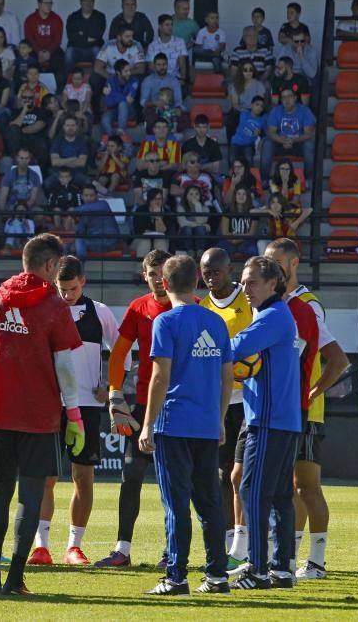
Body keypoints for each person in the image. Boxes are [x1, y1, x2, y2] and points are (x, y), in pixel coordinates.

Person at [0, 234, 84, 595]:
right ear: (50, 265)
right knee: (30, 494)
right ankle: (16, 579)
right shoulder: (53, 304)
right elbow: (64, 365)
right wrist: (75, 414)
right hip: (39, 415)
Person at [139, 255, 232, 596]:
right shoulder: (217, 322)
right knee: (210, 503)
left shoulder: (165, 322)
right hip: (207, 425)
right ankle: (217, 576)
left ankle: (176, 577)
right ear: (199, 282)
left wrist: (147, 424)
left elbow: (160, 376)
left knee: (176, 504)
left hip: (174, 423)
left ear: (164, 284)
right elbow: (226, 377)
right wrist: (220, 419)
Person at [28, 256, 126, 567]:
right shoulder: (45, 311)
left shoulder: (100, 312)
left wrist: (111, 385)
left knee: (83, 476)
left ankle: (74, 547)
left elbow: (122, 350)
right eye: (61, 288)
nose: (67, 294)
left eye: (71, 288)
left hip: (87, 404)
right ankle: (41, 546)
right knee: (46, 477)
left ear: (82, 281)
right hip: (49, 403)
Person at [264, 238, 349, 580]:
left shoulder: (306, 306)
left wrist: (313, 393)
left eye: (275, 262)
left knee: (307, 487)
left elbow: (337, 359)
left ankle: (316, 561)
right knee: (289, 487)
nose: (269, 267)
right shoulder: (277, 303)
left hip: (305, 412)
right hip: (286, 409)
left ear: (294, 263)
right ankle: (288, 557)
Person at [94, 249, 174, 568]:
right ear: (144, 275)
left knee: (177, 481)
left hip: (179, 406)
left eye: (163, 273)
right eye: (152, 273)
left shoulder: (192, 307)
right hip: (143, 405)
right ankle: (122, 550)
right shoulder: (138, 308)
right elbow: (118, 354)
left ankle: (173, 551)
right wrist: (116, 394)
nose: (158, 279)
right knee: (131, 476)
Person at [228, 256, 301, 590]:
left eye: (252, 282)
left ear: (274, 283)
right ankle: (281, 570)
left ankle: (257, 570)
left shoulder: (272, 316)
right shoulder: (272, 315)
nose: (245, 289)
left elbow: (234, 349)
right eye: (243, 282)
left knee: (253, 492)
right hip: (281, 420)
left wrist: (196, 343)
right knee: (281, 495)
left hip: (269, 420)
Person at [197, 248, 253, 566]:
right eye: (206, 271)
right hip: (217, 401)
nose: (210, 276)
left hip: (246, 399)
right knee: (220, 474)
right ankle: (230, 543)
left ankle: (246, 545)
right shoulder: (203, 307)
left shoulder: (246, 301)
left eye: (216, 270)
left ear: (229, 269)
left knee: (239, 474)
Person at [261, 88, 315, 181]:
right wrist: (283, 140)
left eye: (289, 96)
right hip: (280, 144)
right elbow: (270, 132)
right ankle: (264, 180)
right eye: (283, 97)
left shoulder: (305, 111)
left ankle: (308, 179)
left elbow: (309, 134)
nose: (287, 100)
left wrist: (293, 140)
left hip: (298, 144)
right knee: (267, 144)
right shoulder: (276, 111)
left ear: (295, 98)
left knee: (309, 145)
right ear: (281, 100)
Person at [23, 0, 65, 85]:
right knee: (28, 57)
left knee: (60, 57)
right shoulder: (30, 19)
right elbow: (29, 39)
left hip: (52, 51)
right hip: (35, 50)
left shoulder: (57, 19)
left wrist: (49, 52)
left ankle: (55, 88)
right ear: (39, 4)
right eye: (46, 3)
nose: (49, 6)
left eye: (50, 3)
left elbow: (57, 40)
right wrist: (39, 52)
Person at [64, 0, 106, 72]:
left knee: (98, 52)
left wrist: (80, 35)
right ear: (81, 2)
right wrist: (87, 38)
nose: (88, 3)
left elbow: (97, 35)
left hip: (93, 48)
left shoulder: (100, 17)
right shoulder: (73, 17)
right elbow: (71, 36)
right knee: (68, 53)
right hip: (76, 49)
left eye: (91, 1)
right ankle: (67, 82)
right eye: (85, 0)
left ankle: (97, 83)